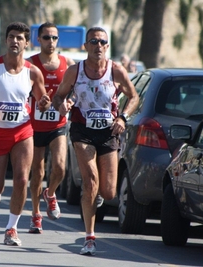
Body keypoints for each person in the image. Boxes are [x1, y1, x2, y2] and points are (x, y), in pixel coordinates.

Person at [52, 26, 139, 255]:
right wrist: (61, 105)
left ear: (107, 46)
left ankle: (98, 195)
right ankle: (89, 238)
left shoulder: (116, 70)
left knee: (109, 192)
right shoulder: (74, 71)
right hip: (82, 130)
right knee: (90, 181)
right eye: (93, 42)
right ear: (86, 46)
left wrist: (123, 116)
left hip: (109, 132)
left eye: (102, 42)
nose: (98, 46)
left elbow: (134, 96)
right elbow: (58, 96)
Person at [0, 22, 51, 246]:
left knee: (22, 179)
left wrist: (44, 103)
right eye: (11, 37)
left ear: (26, 43)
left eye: (20, 38)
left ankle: (12, 229)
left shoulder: (33, 72)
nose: (15, 41)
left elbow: (42, 103)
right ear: (6, 41)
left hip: (23, 131)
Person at [26, 22, 75, 233]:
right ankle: (36, 214)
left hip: (57, 125)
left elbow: (76, 90)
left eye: (54, 38)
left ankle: (51, 193)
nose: (51, 41)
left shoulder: (68, 63)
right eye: (47, 37)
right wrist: (36, 99)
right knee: (37, 172)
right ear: (39, 39)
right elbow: (19, 91)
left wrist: (70, 101)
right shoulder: (30, 64)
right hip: (34, 126)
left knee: (60, 166)